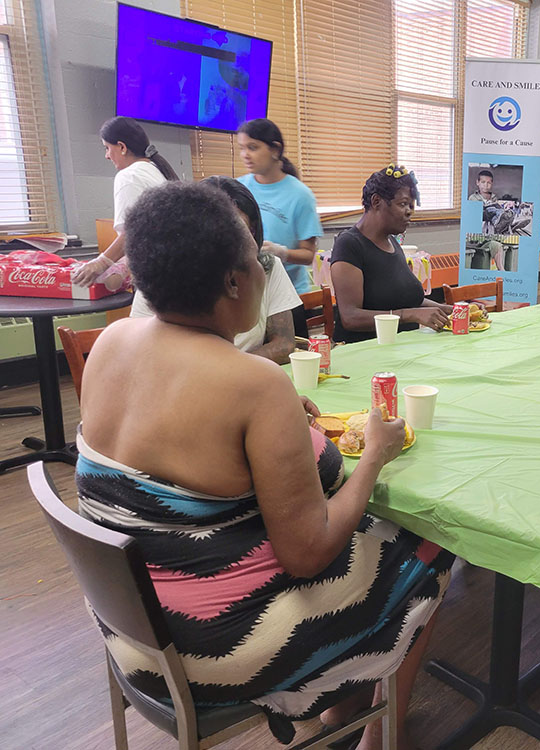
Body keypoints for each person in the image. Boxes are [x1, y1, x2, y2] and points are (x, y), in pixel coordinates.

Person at [75, 181, 452, 750]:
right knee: (428, 547)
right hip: (214, 648)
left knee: (367, 533)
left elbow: (173, 448)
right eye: (257, 258)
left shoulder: (110, 343)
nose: (263, 267)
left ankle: (345, 708)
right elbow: (307, 554)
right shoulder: (253, 383)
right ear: (233, 281)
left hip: (131, 627)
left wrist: (273, 423)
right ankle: (375, 735)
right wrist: (375, 453)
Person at [129, 176, 298, 364]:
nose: (227, 243)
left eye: (239, 231)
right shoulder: (163, 278)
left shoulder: (265, 266)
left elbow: (284, 343)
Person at [330, 165, 452, 343]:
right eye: (403, 204)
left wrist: (448, 310)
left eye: (411, 206)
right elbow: (350, 317)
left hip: (401, 347)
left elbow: (409, 300)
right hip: (365, 349)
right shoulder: (349, 245)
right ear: (376, 202)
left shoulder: (391, 242)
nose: (409, 212)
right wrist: (411, 315)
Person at [71, 117, 179, 287]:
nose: (107, 156)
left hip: (159, 278)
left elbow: (131, 234)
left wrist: (100, 263)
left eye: (107, 148)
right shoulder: (155, 170)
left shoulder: (129, 176)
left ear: (122, 147)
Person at [237, 118, 323, 296]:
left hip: (290, 294)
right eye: (242, 148)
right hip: (250, 293)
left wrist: (281, 252)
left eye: (252, 147)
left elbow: (308, 255)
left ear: (275, 150)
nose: (245, 154)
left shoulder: (300, 195)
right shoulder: (239, 188)